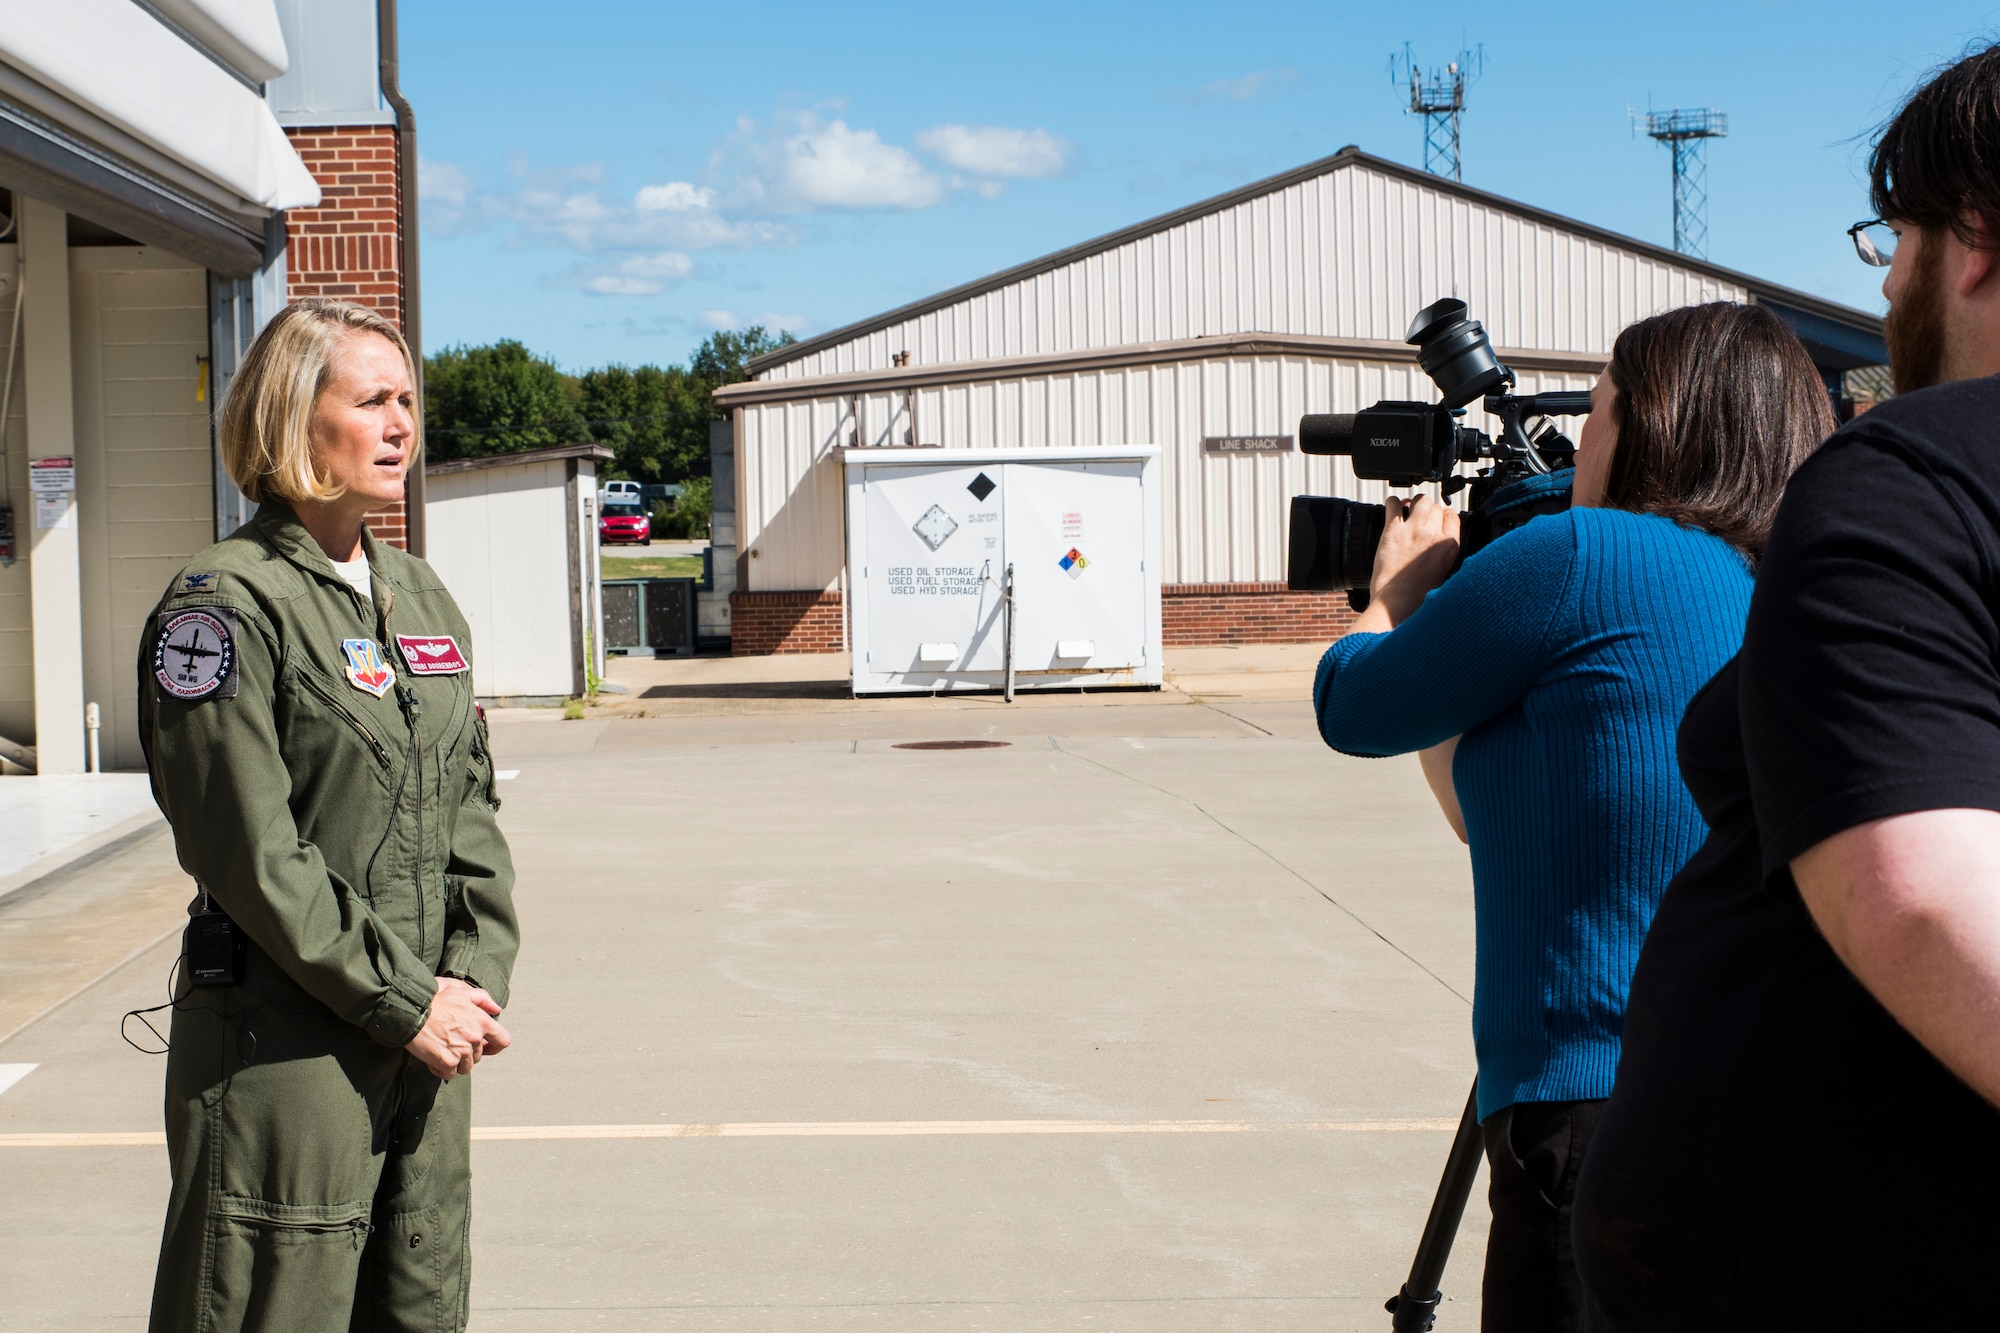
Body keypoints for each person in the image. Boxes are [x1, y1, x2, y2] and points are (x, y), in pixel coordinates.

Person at [1574, 48, 2000, 1330]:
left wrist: (1389, 605)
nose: (1880, 277)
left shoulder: (1910, 475)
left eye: (1895, 235)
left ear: (1974, 236)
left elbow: (1925, 902)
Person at [1313, 303, 1832, 1332]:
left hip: (1593, 1105)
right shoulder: (1781, 576)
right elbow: (1490, 810)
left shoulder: (1579, 558)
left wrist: (1394, 596)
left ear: (1650, 425)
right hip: (1765, 1092)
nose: (1582, 436)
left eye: (1594, 408)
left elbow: (1351, 704)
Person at [139, 297, 520, 1332]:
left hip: (428, 1043)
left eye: (408, 401)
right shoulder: (223, 605)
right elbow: (254, 851)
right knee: (269, 1305)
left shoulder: (418, 594)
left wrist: (471, 981)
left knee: (418, 1298)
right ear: (291, 418)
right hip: (290, 1048)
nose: (402, 424)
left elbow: (468, 808)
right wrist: (407, 999)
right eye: (372, 401)